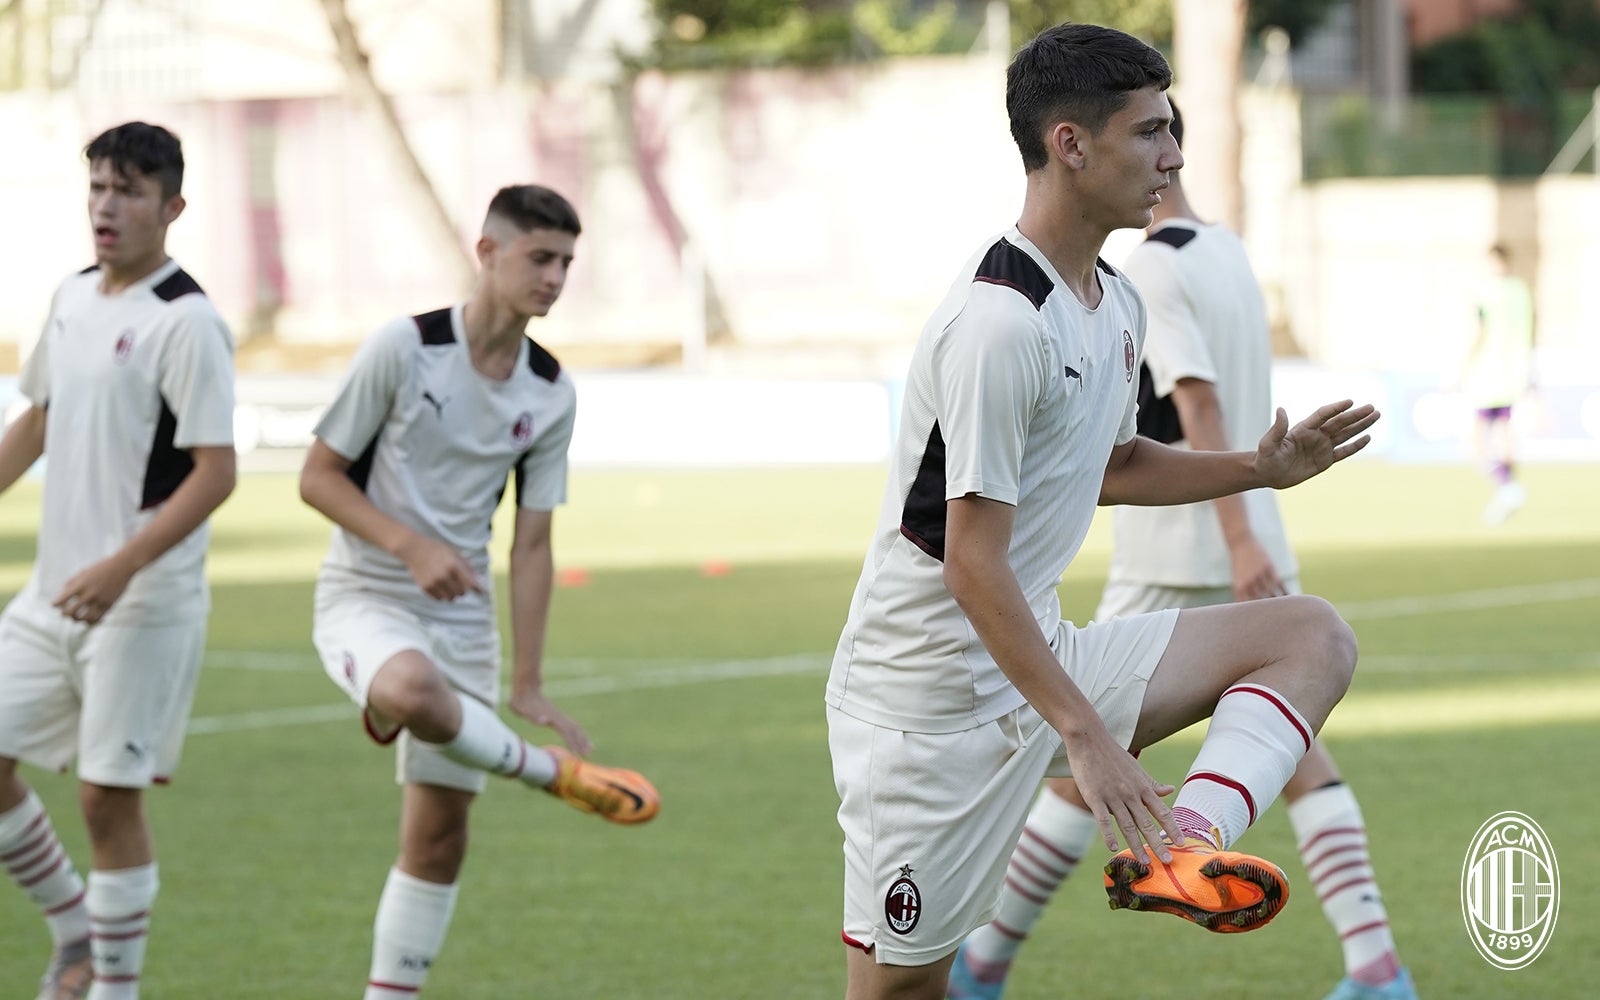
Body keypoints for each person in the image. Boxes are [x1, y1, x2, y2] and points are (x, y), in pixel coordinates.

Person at [824, 23, 1380, 1000]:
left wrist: (1256, 466)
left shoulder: (1112, 300)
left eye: (1172, 132)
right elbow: (970, 561)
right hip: (925, 711)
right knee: (900, 992)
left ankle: (1185, 848)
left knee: (1310, 635)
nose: (1171, 157)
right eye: (1149, 132)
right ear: (1070, 145)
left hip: (1034, 657)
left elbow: (1113, 462)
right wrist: (1086, 734)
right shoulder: (999, 323)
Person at [949, 102, 1416, 1000]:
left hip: (1183, 544)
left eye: (1162, 137)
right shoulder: (1228, 249)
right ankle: (1376, 963)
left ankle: (980, 963)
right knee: (1286, 745)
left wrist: (1236, 534)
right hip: (1246, 529)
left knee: (1072, 743)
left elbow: (1196, 402)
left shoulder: (1150, 271)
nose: (1160, 157)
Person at [298, 183, 660, 998]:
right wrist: (409, 545)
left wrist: (526, 681)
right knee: (411, 684)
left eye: (567, 262)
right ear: (487, 252)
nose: (555, 277)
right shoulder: (403, 348)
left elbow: (532, 542)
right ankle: (547, 774)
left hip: (461, 621)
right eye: (540, 257)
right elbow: (317, 478)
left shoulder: (551, 391)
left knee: (437, 841)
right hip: (367, 591)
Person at [0, 122, 238, 1000]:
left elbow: (218, 474)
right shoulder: (69, 295)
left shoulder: (188, 323)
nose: (107, 206)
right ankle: (74, 934)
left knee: (108, 801)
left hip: (142, 604)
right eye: (99, 187)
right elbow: (38, 418)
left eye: (129, 191)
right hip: (51, 593)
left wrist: (122, 566)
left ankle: (112, 990)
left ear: (171, 208)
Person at [1461, 243, 1533, 524]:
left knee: (1475, 443)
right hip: (1514, 372)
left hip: (1486, 373)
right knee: (1504, 435)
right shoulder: (1521, 291)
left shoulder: (1484, 291)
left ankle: (1506, 487)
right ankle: (1509, 488)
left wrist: (1460, 367)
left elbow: (1477, 332)